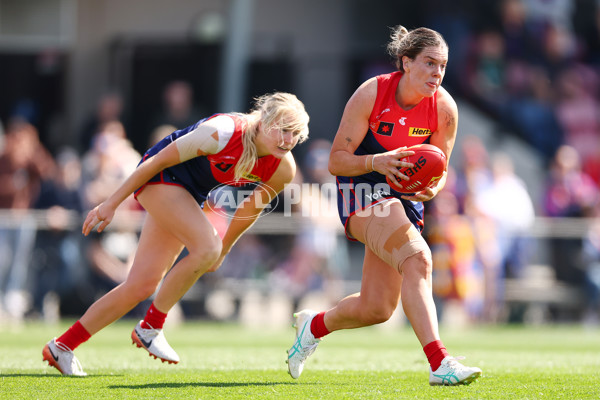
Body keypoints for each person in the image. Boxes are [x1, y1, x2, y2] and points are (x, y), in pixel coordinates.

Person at [42, 92, 310, 376]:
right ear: (263, 122)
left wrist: (225, 249)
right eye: (283, 130)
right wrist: (111, 204)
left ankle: (62, 346)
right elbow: (156, 161)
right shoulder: (222, 132)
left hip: (186, 194)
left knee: (141, 286)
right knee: (207, 246)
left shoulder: (283, 167)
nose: (288, 140)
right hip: (160, 179)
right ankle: (152, 326)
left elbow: (249, 210)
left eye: (295, 133)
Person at [285, 26, 482, 386]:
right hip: (361, 189)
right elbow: (336, 161)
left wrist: (428, 189)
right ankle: (439, 363)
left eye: (443, 66)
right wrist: (378, 161)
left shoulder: (444, 109)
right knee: (419, 259)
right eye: (429, 63)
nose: (437, 73)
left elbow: (438, 175)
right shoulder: (372, 93)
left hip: (401, 199)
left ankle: (311, 327)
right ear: (406, 62)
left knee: (376, 308)